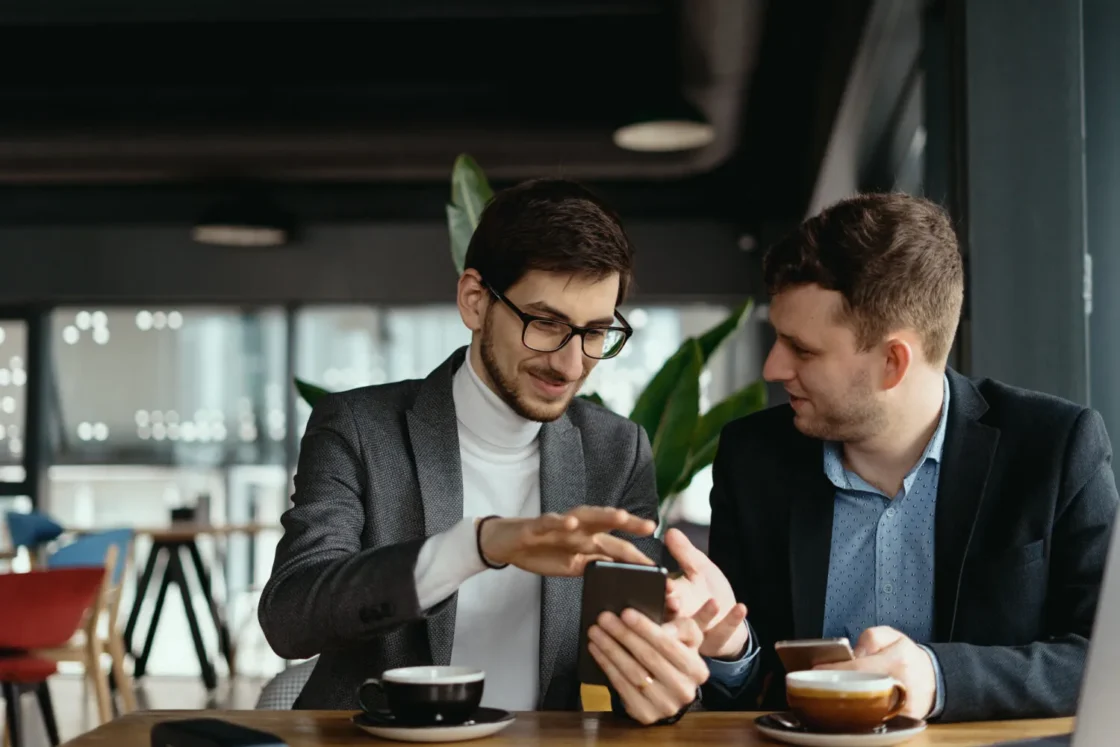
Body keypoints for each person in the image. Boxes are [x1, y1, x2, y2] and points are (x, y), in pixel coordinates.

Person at [259, 177, 711, 723]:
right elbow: (290, 615)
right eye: (545, 324)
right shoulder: (359, 428)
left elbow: (632, 655)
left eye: (595, 332)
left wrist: (663, 688)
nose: (571, 366)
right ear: (475, 302)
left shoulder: (616, 450)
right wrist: (477, 546)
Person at [663, 192, 1119, 722]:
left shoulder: (1054, 448)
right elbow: (744, 696)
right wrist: (731, 649)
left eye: (802, 349)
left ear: (892, 362)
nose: (772, 367)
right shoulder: (754, 459)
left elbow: (1104, 655)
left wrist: (936, 676)